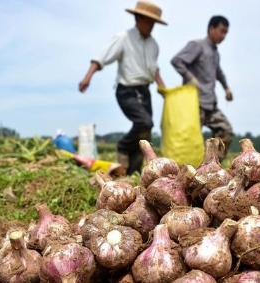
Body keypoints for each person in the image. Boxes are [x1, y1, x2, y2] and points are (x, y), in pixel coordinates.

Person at [79, 1, 166, 175]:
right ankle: (123, 146)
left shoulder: (153, 45)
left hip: (144, 91)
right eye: (148, 21)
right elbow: (101, 56)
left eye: (153, 23)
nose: (151, 26)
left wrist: (163, 88)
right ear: (138, 18)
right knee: (144, 122)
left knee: (145, 133)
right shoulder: (124, 37)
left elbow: (154, 69)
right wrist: (87, 77)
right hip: (126, 90)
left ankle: (132, 174)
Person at [171, 15, 233, 160]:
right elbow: (177, 61)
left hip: (210, 103)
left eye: (226, 33)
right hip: (194, 103)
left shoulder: (215, 53)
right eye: (222, 31)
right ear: (211, 28)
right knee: (190, 141)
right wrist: (190, 78)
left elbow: (218, 72)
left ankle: (212, 167)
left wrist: (226, 88)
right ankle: (185, 173)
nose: (224, 36)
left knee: (225, 131)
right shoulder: (197, 45)